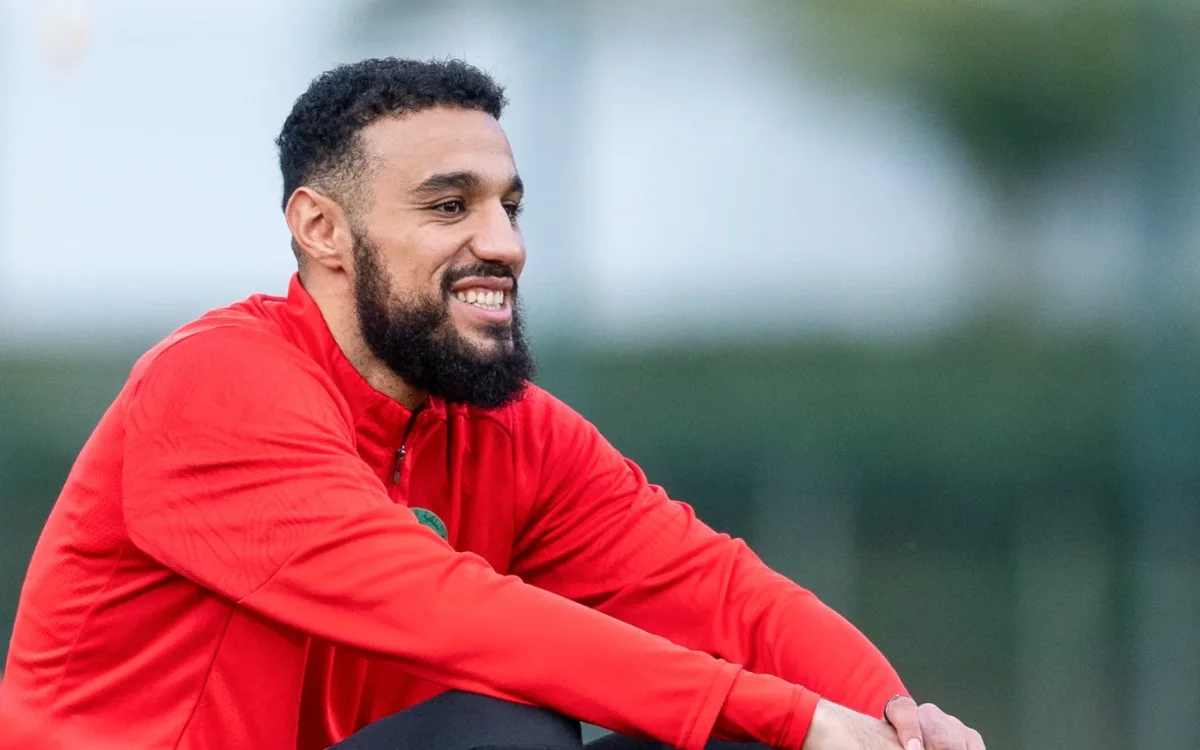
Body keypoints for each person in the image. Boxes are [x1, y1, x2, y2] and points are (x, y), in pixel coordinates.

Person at [1, 58, 984, 750]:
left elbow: (719, 594)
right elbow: (456, 617)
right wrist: (795, 717)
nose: (504, 242)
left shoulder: (502, 427)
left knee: (750, 743)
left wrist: (890, 717)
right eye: (449, 206)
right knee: (503, 731)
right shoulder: (214, 390)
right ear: (321, 230)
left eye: (508, 204)